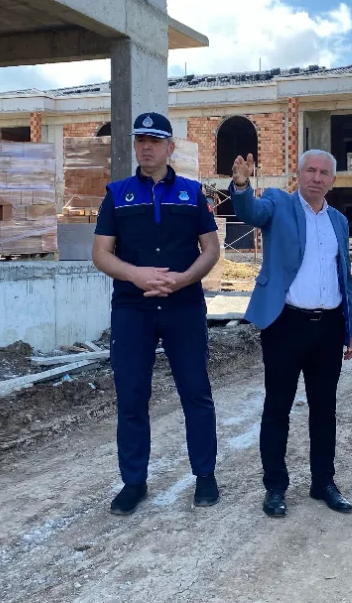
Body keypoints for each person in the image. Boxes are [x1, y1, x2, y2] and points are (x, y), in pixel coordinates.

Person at [92, 112, 222, 515]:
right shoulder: (117, 195)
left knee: (195, 392)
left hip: (183, 305)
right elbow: (101, 254)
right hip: (133, 308)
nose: (146, 147)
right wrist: (137, 274)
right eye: (141, 140)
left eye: (155, 140)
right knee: (132, 395)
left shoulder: (191, 194)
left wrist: (182, 280)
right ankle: (134, 482)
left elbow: (211, 249)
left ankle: (205, 476)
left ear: (170, 147)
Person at [229, 150, 352, 519]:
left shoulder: (338, 221)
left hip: (329, 327)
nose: (317, 178)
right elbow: (250, 213)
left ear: (333, 180)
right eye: (310, 171)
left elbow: (345, 277)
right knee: (278, 408)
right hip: (285, 324)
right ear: (298, 174)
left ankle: (324, 482)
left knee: (324, 409)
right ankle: (275, 487)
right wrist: (241, 185)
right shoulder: (278, 203)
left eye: (324, 172)